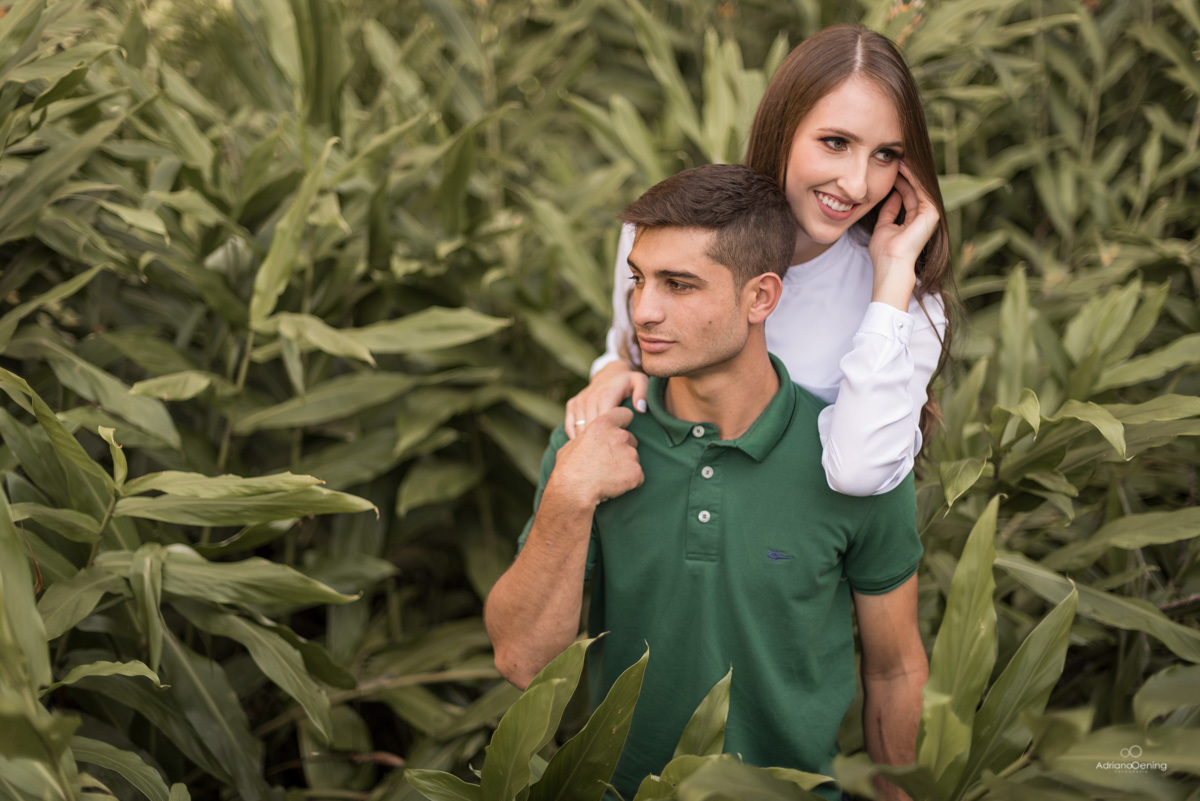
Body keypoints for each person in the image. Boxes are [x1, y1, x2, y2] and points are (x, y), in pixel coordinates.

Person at [486, 165, 928, 801]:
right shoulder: (595, 442)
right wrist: (569, 493)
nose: (643, 310)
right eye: (638, 279)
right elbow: (521, 662)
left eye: (679, 285)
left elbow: (894, 668)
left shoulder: (854, 459)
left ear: (761, 298)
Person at [564, 23, 953, 498]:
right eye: (836, 142)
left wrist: (892, 279)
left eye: (885, 154)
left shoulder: (906, 306)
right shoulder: (666, 234)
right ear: (783, 131)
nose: (856, 184)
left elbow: (860, 474)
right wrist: (610, 372)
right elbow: (629, 347)